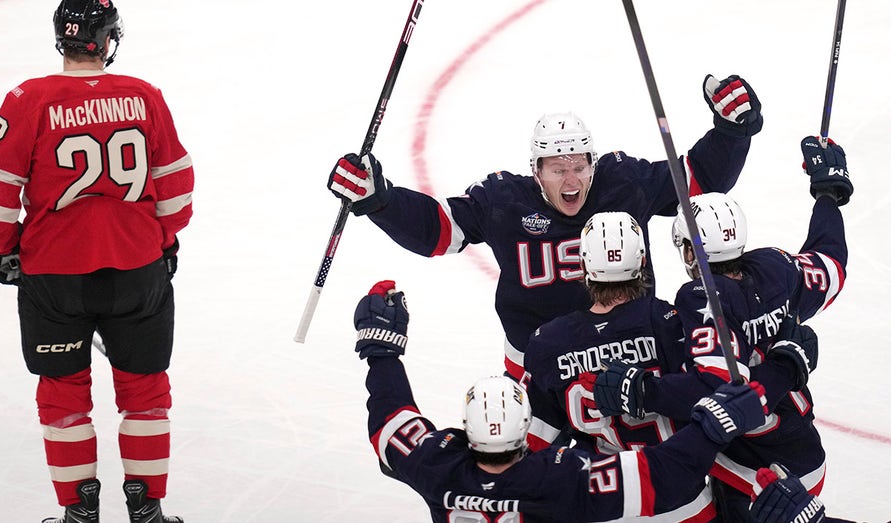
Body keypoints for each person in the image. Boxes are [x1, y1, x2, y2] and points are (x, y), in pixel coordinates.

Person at [328, 74, 763, 381]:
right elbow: (438, 231)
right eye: (558, 169)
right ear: (535, 170)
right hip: (537, 363)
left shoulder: (623, 183)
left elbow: (698, 183)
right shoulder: (504, 201)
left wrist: (731, 133)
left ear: (594, 162)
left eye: (579, 166)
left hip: (632, 352)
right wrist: (381, 200)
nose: (571, 180)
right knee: (535, 482)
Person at [0, 1, 193, 521]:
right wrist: (161, 237)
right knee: (145, 389)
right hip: (138, 269)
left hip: (54, 277)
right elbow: (177, 188)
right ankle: (147, 510)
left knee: (63, 391)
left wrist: (5, 248)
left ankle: (79, 512)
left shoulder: (29, 99)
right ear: (109, 39)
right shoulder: (144, 96)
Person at [351, 279, 830, 523]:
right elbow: (660, 474)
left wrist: (381, 354)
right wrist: (714, 423)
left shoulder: (435, 466)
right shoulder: (560, 477)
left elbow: (392, 424)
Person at [585, 137, 851, 522]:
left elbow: (722, 389)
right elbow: (830, 263)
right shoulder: (776, 268)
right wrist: (827, 195)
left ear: (691, 252)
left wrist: (644, 391)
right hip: (804, 451)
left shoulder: (701, 297)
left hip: (753, 475)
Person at [521, 212, 813, 522]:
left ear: (583, 266)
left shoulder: (548, 343)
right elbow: (718, 395)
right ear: (642, 263)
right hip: (682, 501)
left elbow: (530, 446)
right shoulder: (669, 324)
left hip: (604, 500)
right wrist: (784, 365)